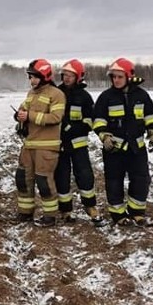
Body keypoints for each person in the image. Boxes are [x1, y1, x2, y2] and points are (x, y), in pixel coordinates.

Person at [92, 58, 153, 227]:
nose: (116, 80)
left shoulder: (142, 95)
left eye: (119, 77)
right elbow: (98, 121)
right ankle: (118, 215)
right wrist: (104, 137)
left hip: (137, 148)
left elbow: (149, 116)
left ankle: (137, 212)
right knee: (114, 181)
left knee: (141, 180)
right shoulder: (106, 97)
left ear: (129, 77)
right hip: (114, 149)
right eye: (113, 77)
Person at [13, 59, 66, 226]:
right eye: (30, 77)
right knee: (23, 179)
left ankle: (50, 216)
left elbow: (56, 118)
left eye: (34, 77)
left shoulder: (56, 94)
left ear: (44, 76)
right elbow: (22, 110)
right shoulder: (31, 94)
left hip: (46, 147)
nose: (32, 81)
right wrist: (19, 117)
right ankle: (25, 213)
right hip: (29, 146)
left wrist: (30, 116)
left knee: (44, 182)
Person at [53, 59, 99, 223]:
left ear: (78, 77)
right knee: (61, 177)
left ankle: (90, 206)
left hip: (79, 145)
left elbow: (90, 119)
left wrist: (77, 128)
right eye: (65, 75)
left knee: (85, 175)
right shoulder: (56, 93)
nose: (66, 78)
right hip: (60, 145)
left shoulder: (85, 97)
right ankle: (65, 210)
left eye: (70, 75)